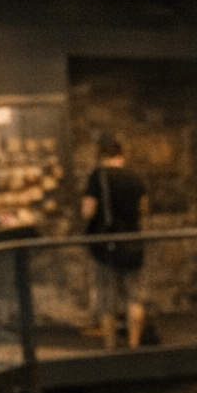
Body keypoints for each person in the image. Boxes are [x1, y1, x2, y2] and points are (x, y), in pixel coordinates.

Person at [81, 138, 148, 348]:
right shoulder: (135, 177)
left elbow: (88, 210)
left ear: (102, 155)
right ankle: (134, 344)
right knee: (134, 297)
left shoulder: (97, 177)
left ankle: (110, 347)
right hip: (132, 243)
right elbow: (143, 209)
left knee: (107, 299)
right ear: (121, 155)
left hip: (106, 245)